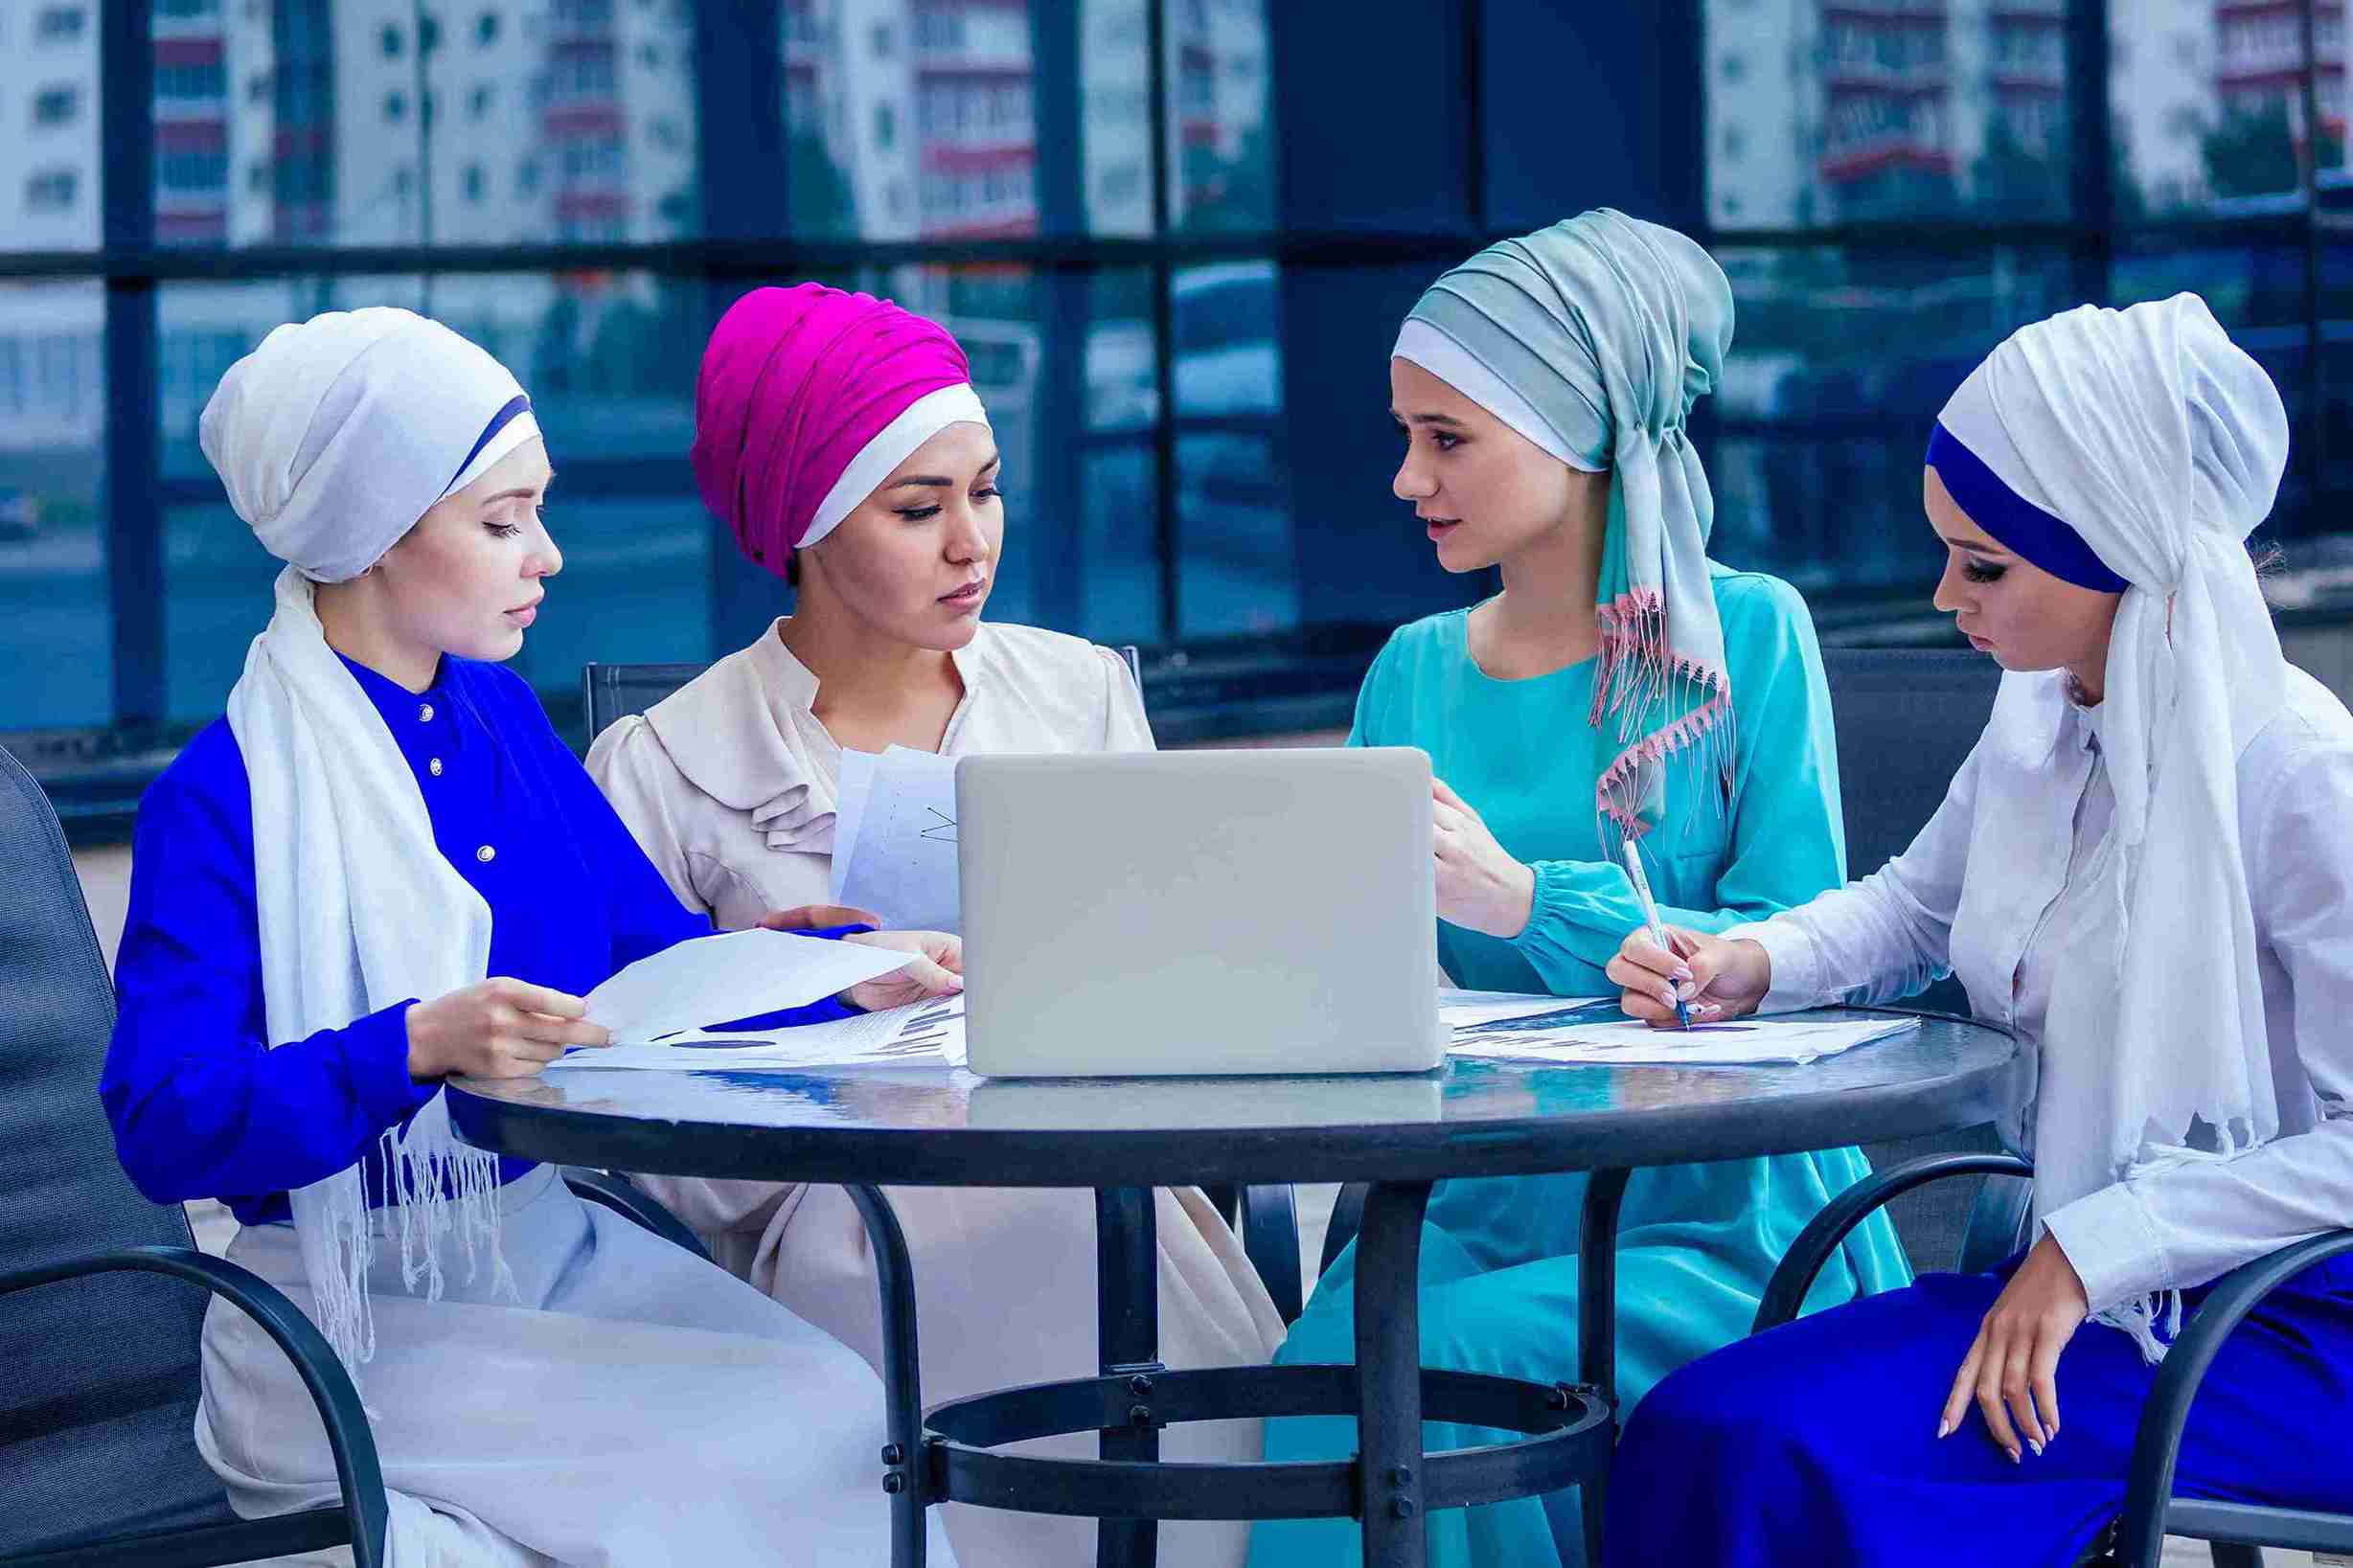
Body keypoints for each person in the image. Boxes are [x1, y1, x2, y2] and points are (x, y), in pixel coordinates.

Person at [101, 307, 961, 1566]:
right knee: (761, 1456)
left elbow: (647, 970)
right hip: (348, 1322)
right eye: (503, 521)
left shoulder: (501, 718)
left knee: (847, 1419)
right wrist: (407, 1044)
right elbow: (161, 1120)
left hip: (550, 1251)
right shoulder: (222, 796)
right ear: (376, 529)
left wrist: (816, 965)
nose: (546, 556)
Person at [1600, 294, 2353, 1567]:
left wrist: (2097, 1246)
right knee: (1695, 1419)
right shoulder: (2041, 720)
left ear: (2117, 549)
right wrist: (1752, 960)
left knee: (1783, 1449)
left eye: (1985, 564)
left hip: (2285, 1332)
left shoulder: (2295, 770)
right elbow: (1911, 902)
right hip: (2110, 1296)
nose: (1944, 593)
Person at [1245, 210, 1908, 1568]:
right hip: (1475, 1196)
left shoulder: (1754, 637)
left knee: (1440, 1361)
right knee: (1327, 1357)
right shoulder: (1410, 672)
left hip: (1717, 1215)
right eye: (1405, 434)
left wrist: (1527, 902)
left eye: (1448, 438)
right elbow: (1342, 971)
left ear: (1580, 426)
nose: (1405, 478)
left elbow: (1813, 952)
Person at [586, 283, 1283, 1568]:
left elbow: (1197, 983)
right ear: (800, 522)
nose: (974, 542)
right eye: (920, 508)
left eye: (988, 489)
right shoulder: (664, 764)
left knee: (1106, 1252)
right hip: (844, 1227)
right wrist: (804, 1000)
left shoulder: (1077, 696)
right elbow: (633, 1118)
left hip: (1104, 1189)